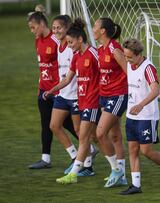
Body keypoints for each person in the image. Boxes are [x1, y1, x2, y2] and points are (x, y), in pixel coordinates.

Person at [45, 19, 100, 184]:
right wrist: (53, 90)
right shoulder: (64, 47)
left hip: (81, 97)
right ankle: (76, 160)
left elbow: (99, 71)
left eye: (59, 28)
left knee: (87, 134)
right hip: (64, 95)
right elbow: (67, 77)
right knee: (54, 125)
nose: (55, 31)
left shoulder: (82, 51)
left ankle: (87, 166)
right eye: (53, 28)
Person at [120, 38, 160, 195]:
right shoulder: (130, 65)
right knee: (132, 149)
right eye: (125, 56)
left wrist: (141, 105)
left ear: (139, 55)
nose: (127, 60)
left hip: (147, 116)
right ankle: (136, 185)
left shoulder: (148, 68)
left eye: (129, 57)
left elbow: (155, 90)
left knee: (146, 151)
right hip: (132, 115)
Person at [27, 10, 77, 169]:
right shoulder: (38, 41)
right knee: (47, 123)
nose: (32, 31)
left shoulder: (57, 41)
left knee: (67, 124)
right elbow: (43, 66)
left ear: (42, 24)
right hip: (44, 89)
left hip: (58, 90)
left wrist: (58, 88)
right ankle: (46, 158)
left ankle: (86, 150)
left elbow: (64, 65)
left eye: (33, 27)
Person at [92, 17, 128, 186]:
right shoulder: (100, 49)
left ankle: (116, 170)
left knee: (100, 134)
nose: (93, 29)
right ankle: (122, 176)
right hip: (104, 96)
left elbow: (129, 71)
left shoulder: (115, 49)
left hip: (118, 95)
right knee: (115, 135)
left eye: (95, 27)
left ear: (103, 31)